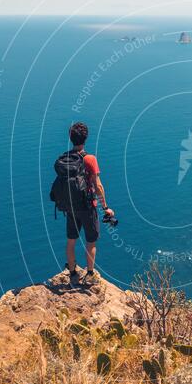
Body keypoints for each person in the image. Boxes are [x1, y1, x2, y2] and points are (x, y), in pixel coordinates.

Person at [64, 121, 114, 282]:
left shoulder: (66, 158)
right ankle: (90, 275)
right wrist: (106, 208)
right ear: (86, 139)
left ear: (71, 138)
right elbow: (97, 185)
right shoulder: (90, 159)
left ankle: (72, 273)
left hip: (71, 206)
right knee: (91, 241)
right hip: (87, 206)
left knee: (71, 241)